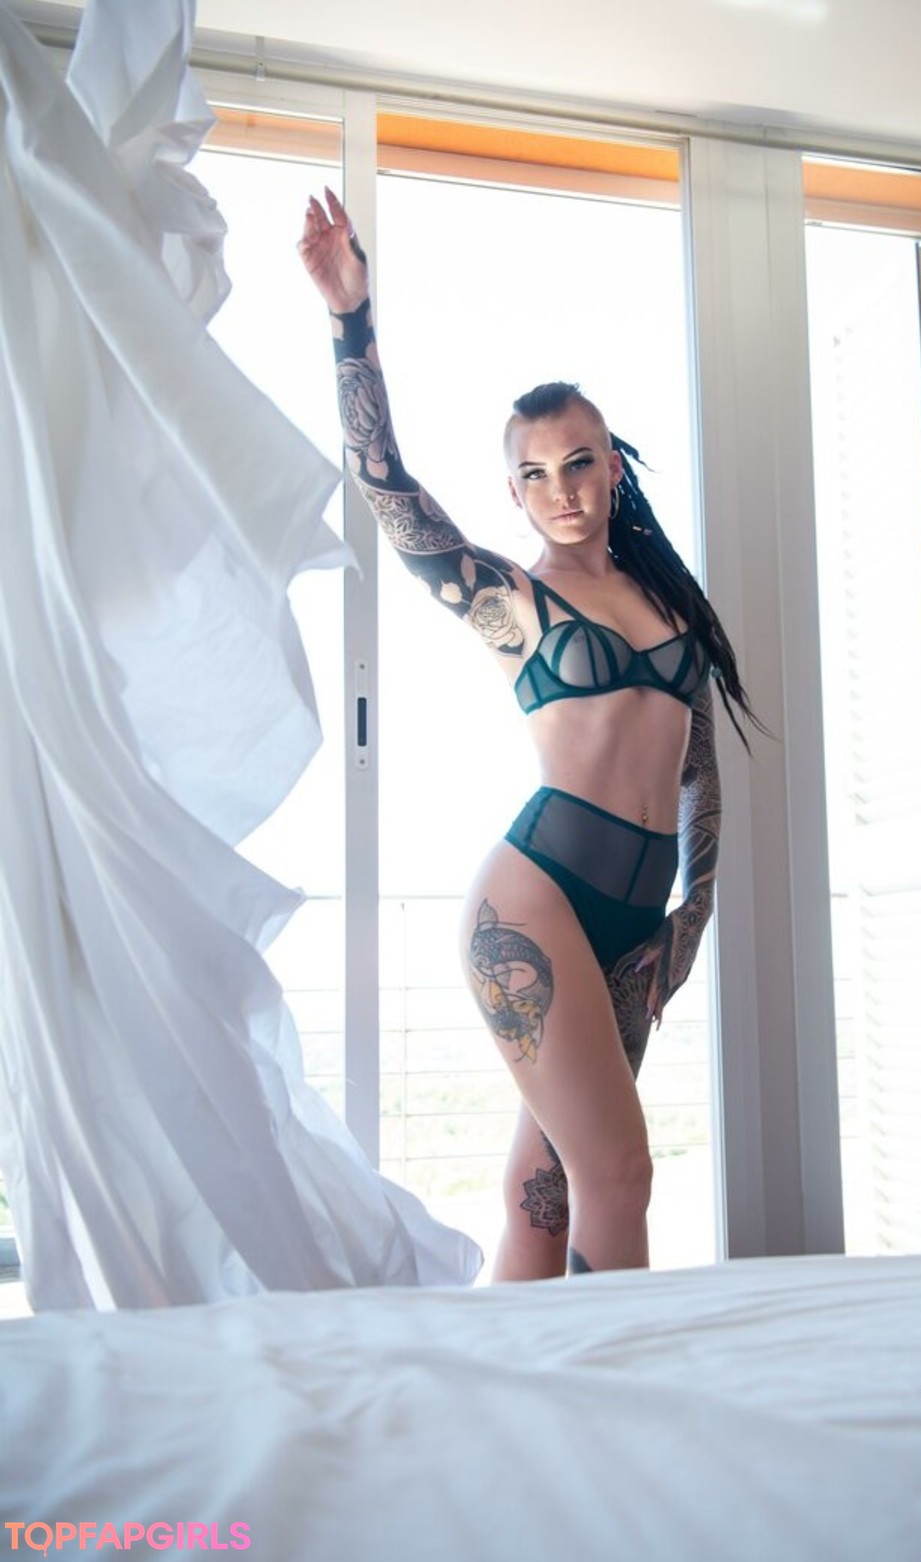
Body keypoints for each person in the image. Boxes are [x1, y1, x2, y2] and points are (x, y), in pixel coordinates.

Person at [299, 188, 755, 1280]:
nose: (564, 489)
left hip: (634, 920)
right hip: (536, 899)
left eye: (581, 461)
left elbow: (697, 769)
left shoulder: (671, 604)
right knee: (620, 1174)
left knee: (545, 1193)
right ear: (514, 491)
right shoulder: (515, 602)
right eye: (537, 473)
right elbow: (385, 487)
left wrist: (692, 915)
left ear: (614, 466)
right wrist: (351, 320)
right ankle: (613, 1383)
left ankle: (511, 1379)